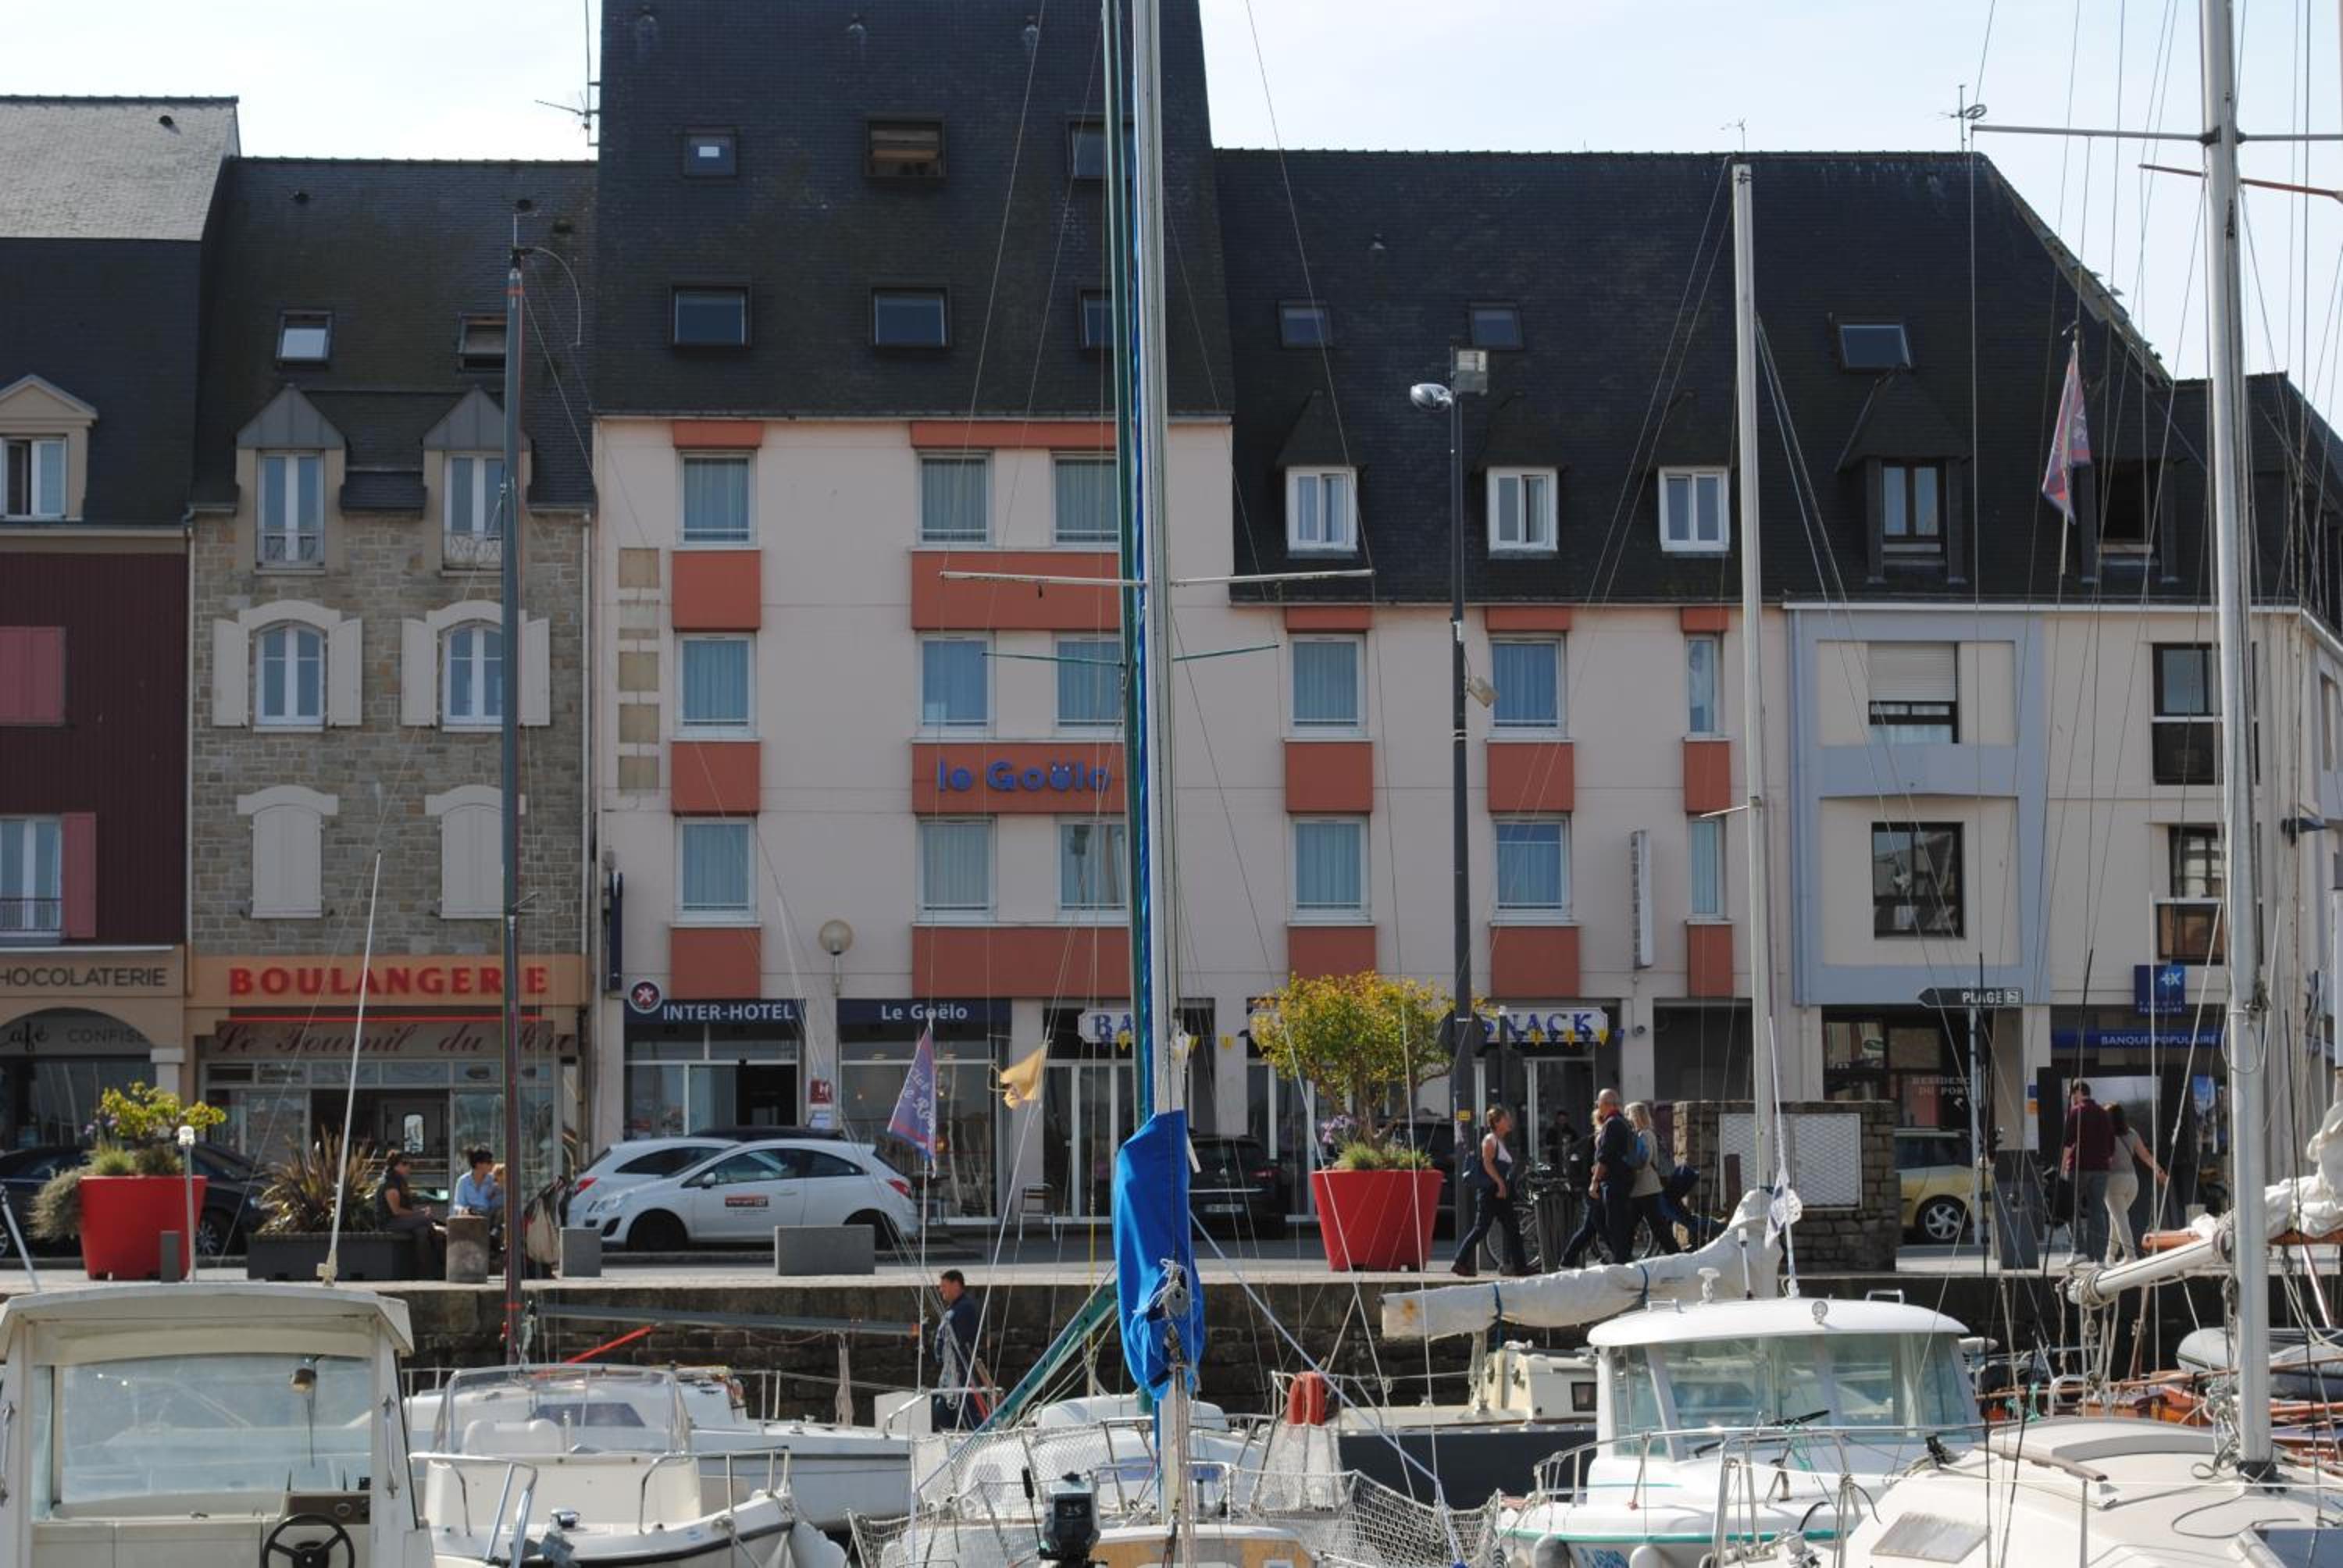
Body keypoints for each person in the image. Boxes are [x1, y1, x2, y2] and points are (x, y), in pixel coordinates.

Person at [1450, 1106, 1532, 1278]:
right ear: (1497, 1122)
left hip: (1500, 1192)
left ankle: (1521, 1267)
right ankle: (1459, 1262)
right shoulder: (1490, 1140)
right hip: (1490, 1192)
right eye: (1506, 1119)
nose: (1510, 1121)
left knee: (1513, 1228)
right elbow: (1487, 1163)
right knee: (1481, 1228)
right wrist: (1500, 1182)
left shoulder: (1501, 1141)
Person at [2102, 1103, 2166, 1263]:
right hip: (2132, 1182)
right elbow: (2146, 1156)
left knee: (2120, 1221)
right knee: (2117, 1218)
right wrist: (2159, 1170)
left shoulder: (2104, 1135)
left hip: (2113, 1183)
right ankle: (2110, 1256)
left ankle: (2130, 1256)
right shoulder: (2132, 1133)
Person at [2062, 1082, 2114, 1263]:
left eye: (2071, 1094)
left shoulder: (2076, 1112)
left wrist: (2062, 1167)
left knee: (2070, 1207)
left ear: (2078, 1092)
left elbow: (2068, 1143)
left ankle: (2079, 1250)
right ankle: (2099, 1258)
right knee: (2097, 1212)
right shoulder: (2103, 1113)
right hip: (2101, 1169)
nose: (2070, 1098)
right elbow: (2111, 1146)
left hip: (2079, 1167)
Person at [1588, 1089, 1639, 1267]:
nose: (1597, 1106)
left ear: (1607, 1104)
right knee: (1601, 1218)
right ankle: (1622, 1256)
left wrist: (1594, 1182)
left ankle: (1622, 1260)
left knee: (1614, 1223)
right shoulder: (1624, 1123)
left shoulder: (1612, 1124)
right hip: (1624, 1179)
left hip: (1615, 1181)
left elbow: (1605, 1157)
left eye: (1599, 1103)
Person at [931, 1269, 986, 1430]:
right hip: (949, 1377)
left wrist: (959, 1370)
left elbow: (965, 1344)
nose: (940, 1290)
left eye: (944, 1286)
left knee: (966, 1414)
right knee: (942, 1411)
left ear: (956, 1285)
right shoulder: (955, 1308)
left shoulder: (964, 1309)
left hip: (961, 1375)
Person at [1624, 1102, 1680, 1257]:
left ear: (1635, 1116)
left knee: (1657, 1227)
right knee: (1639, 1226)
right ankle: (1623, 1256)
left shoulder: (1644, 1135)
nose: (1627, 1118)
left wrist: (1628, 1163)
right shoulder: (1646, 1133)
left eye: (1628, 1115)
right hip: (1645, 1188)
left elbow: (1643, 1160)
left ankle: (1676, 1255)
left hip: (1645, 1188)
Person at [373, 1150, 442, 1273]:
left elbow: (405, 1210)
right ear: (396, 1166)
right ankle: (441, 1259)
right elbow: (396, 1211)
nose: (409, 1167)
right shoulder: (390, 1183)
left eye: (409, 1163)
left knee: (421, 1231)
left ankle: (425, 1271)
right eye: (405, 1163)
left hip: (401, 1220)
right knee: (426, 1219)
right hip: (389, 1222)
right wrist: (420, 1214)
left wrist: (418, 1213)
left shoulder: (400, 1181)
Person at [452, 1147, 502, 1215]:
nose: (492, 1165)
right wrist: (464, 1210)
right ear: (478, 1164)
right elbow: (458, 1204)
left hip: (489, 1216)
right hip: (470, 1217)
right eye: (489, 1162)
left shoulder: (493, 1180)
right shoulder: (463, 1181)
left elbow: (500, 1202)